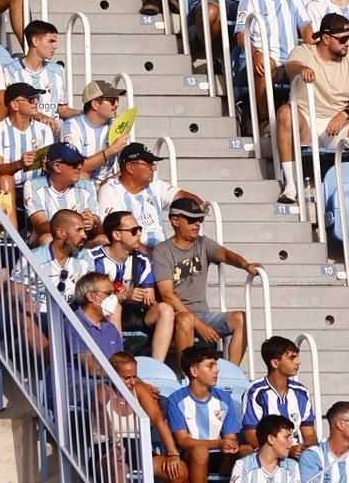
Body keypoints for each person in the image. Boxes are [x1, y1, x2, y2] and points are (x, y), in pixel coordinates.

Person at [280, 11, 349, 189]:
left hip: (339, 123)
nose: (348, 43)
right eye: (342, 39)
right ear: (325, 38)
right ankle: (291, 184)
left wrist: (344, 114)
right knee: (285, 112)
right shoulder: (303, 52)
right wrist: (302, 69)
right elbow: (292, 67)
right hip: (306, 121)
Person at [152, 197, 262, 365]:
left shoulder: (203, 243)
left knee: (241, 318)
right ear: (175, 220)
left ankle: (231, 374)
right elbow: (167, 295)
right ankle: (188, 378)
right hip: (176, 315)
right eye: (191, 220)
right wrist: (198, 325)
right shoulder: (162, 251)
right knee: (186, 319)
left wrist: (245, 264)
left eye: (200, 219)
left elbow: (225, 254)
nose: (197, 224)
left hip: (203, 314)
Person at [88, 208, 175, 365]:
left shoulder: (142, 259)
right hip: (104, 313)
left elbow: (148, 296)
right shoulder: (95, 259)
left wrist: (145, 298)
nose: (139, 234)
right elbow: (97, 300)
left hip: (135, 313)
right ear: (116, 235)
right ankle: (117, 364)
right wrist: (124, 296)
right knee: (115, 306)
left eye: (139, 229)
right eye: (134, 231)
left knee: (166, 310)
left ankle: (157, 366)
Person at [165, 345, 243, 483]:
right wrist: (218, 444)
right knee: (200, 452)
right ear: (194, 371)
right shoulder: (176, 400)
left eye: (216, 366)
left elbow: (230, 436)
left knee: (246, 452)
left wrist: (231, 444)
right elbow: (183, 441)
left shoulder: (224, 398)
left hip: (221, 454)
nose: (217, 370)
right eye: (210, 366)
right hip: (192, 456)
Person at [241, 337, 318, 454]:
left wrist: (307, 451)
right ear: (275, 363)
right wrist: (285, 450)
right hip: (267, 454)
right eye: (292, 358)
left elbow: (310, 434)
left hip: (295, 453)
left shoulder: (301, 392)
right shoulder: (256, 392)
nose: (298, 362)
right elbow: (251, 436)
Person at [229, 413, 299, 483]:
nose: (291, 442)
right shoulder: (243, 466)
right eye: (286, 437)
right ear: (271, 439)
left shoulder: (292, 467)